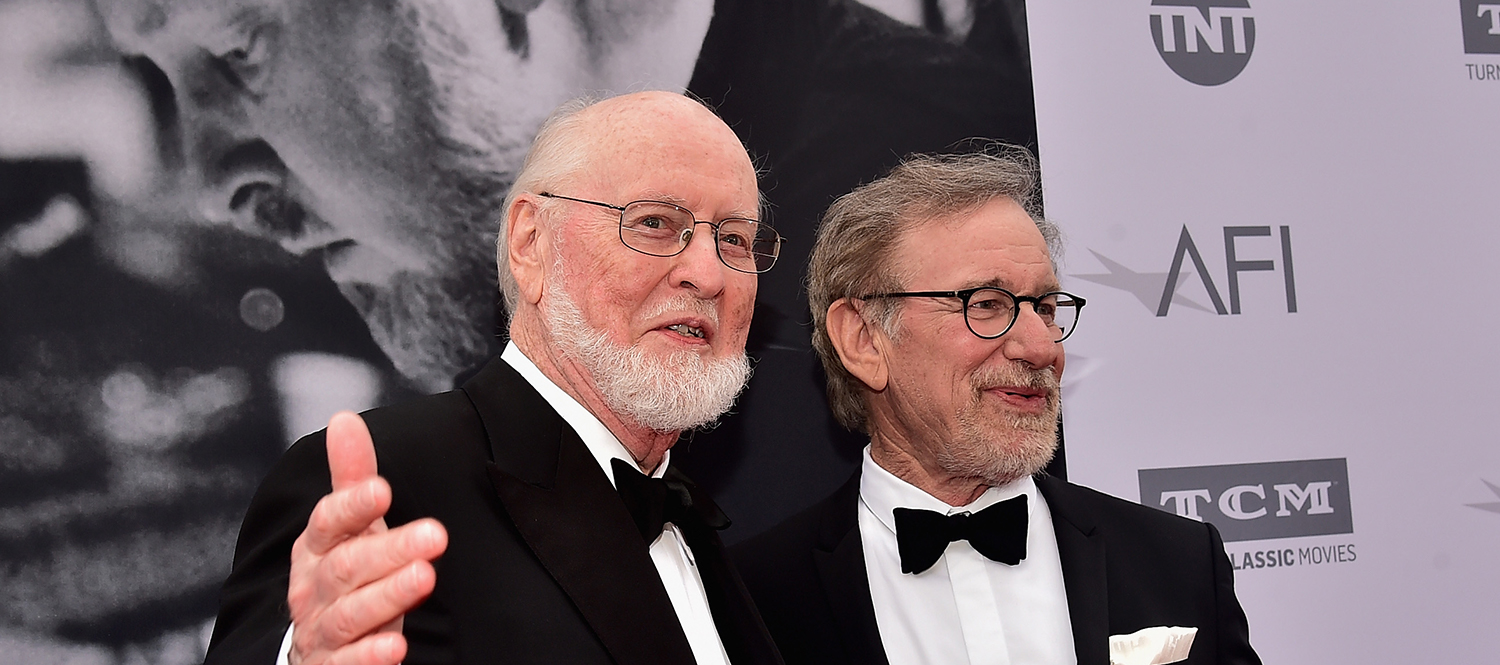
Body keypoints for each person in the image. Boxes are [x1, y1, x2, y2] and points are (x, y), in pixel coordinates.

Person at [731, 150, 1500, 665]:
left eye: (1047, 306)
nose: (1035, 345)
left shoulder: (1172, 568)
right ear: (862, 339)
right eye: (986, 306)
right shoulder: (753, 601)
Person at [123, 91, 812, 665]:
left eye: (736, 240)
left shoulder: (710, 525)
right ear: (529, 243)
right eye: (656, 224)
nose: (708, 273)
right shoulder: (392, 484)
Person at [86, 0, 1035, 534]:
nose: (212, 179)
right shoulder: (574, 274)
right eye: (161, 80)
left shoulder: (887, 307)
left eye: (237, 49)